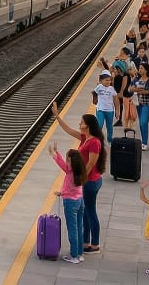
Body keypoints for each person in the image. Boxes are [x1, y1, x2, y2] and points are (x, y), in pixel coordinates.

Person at [51, 105, 106, 253]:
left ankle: (95, 244)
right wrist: (57, 115)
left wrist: (80, 180)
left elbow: (91, 163)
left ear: (87, 126)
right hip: (87, 180)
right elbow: (68, 130)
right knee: (86, 211)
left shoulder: (94, 142)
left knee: (90, 211)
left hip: (91, 180)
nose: (79, 124)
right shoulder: (85, 137)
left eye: (81, 122)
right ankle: (85, 242)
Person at [48, 142, 86, 264]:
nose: (66, 161)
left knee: (72, 229)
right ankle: (80, 253)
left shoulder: (70, 173)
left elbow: (68, 189)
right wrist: (56, 153)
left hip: (70, 203)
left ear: (70, 161)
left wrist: (61, 193)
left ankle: (73, 256)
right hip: (80, 201)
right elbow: (63, 166)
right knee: (79, 227)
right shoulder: (80, 171)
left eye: (67, 159)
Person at [131, 62, 149, 149]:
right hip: (138, 103)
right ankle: (143, 141)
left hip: (147, 104)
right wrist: (139, 89)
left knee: (143, 122)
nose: (140, 70)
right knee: (141, 123)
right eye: (139, 68)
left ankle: (144, 143)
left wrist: (137, 90)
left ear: (146, 70)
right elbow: (130, 89)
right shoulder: (136, 78)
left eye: (142, 68)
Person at [91, 71, 117, 142]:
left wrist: (117, 111)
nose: (108, 82)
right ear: (101, 80)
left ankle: (109, 138)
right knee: (100, 125)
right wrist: (95, 100)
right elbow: (94, 92)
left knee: (109, 126)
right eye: (106, 80)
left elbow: (115, 99)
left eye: (109, 80)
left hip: (110, 110)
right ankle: (98, 138)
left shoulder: (112, 89)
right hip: (100, 109)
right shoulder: (99, 87)